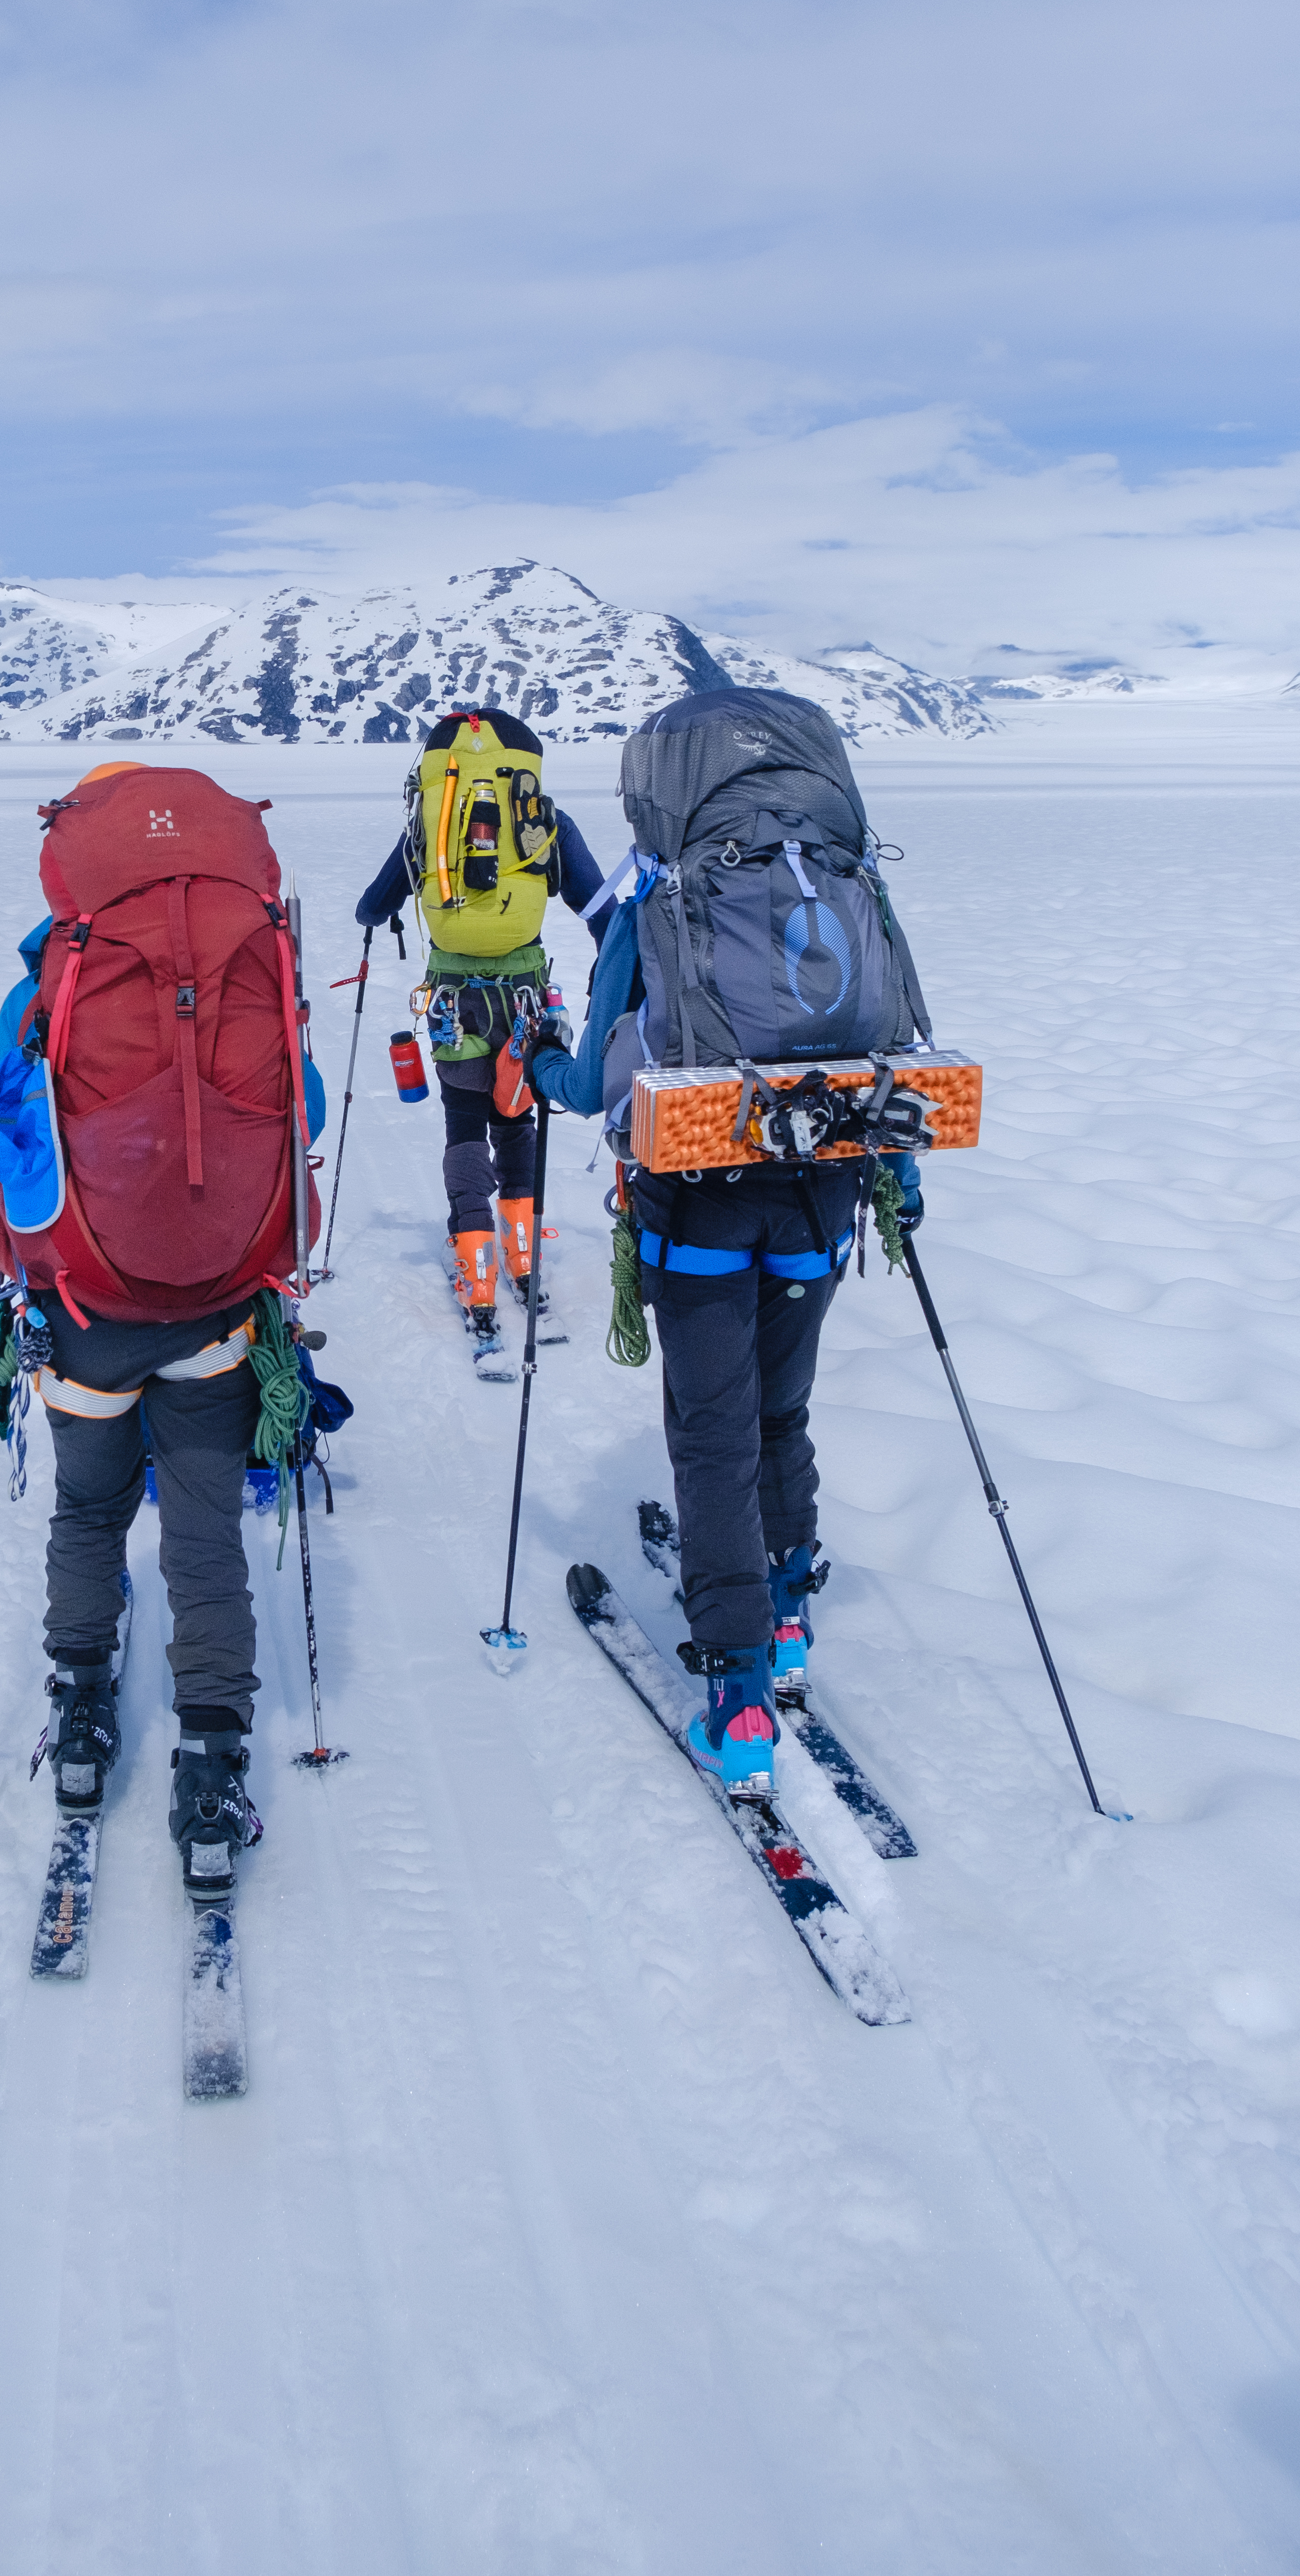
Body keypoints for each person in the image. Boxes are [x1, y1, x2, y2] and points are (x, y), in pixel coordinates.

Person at [529, 688, 932, 1800]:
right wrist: (888, 1176)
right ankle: (789, 1607)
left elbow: (596, 1082)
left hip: (700, 1206)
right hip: (824, 1200)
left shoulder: (655, 894)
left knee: (711, 1437)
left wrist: (537, 1061)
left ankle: (738, 1691)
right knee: (778, 1412)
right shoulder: (845, 880)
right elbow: (893, 1039)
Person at [0, 762, 323, 1899]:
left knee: (90, 1507)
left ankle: (77, 1717)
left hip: (85, 1310)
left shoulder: (48, 983)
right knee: (205, 1532)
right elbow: (293, 1102)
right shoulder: (257, 960)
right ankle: (209, 1761)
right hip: (215, 1300)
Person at [353, 706, 613, 1359]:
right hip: (527, 1001)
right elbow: (602, 909)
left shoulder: (431, 825)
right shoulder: (543, 820)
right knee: (517, 1119)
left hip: (454, 1004)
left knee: (465, 1122)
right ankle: (521, 1256)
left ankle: (476, 1269)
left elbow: (371, 905)